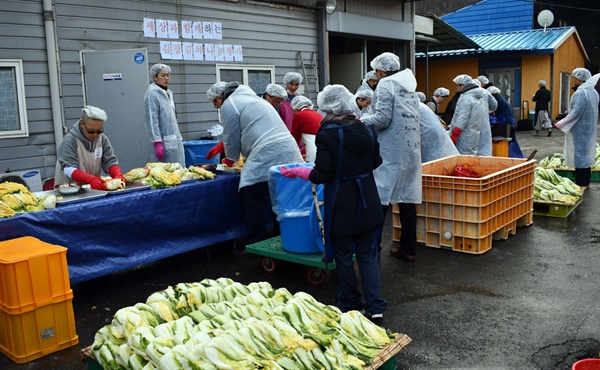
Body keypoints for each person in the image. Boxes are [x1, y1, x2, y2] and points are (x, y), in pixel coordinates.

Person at [280, 84, 387, 321]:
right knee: (368, 255)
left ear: (327, 106)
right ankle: (375, 305)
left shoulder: (328, 133)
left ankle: (350, 304)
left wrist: (298, 171)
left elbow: (323, 174)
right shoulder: (368, 129)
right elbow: (376, 161)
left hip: (343, 202)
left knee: (343, 255)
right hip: (369, 198)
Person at [205, 82, 304, 253]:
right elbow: (250, 127)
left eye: (215, 103)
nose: (217, 106)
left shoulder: (230, 104)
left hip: (268, 152)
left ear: (220, 96)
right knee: (280, 195)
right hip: (287, 150)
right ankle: (283, 235)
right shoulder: (253, 99)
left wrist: (229, 157)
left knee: (252, 191)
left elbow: (232, 135)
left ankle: (255, 242)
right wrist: (224, 146)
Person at [361, 52, 421, 262]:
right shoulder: (408, 85)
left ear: (380, 70)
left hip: (392, 149)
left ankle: (372, 250)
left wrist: (361, 120)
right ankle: (409, 249)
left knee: (381, 198)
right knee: (406, 199)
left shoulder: (386, 84)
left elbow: (383, 118)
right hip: (411, 148)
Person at [55, 106, 125, 190]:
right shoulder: (70, 141)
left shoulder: (102, 139)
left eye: (99, 131)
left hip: (90, 188)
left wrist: (117, 175)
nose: (95, 135)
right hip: (67, 190)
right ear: (82, 124)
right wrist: (90, 179)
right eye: (91, 131)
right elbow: (68, 169)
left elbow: (110, 162)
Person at [555, 69, 599, 188]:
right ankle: (586, 181)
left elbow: (576, 112)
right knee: (586, 155)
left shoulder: (581, 93)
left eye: (575, 78)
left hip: (580, 130)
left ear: (579, 79)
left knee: (579, 156)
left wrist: (561, 124)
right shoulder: (593, 92)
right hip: (589, 129)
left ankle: (581, 182)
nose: (573, 80)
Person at [144, 63, 185, 166]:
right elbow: (152, 120)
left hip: (174, 140)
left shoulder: (167, 93)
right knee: (166, 174)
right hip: (164, 143)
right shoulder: (152, 94)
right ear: (155, 77)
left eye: (168, 75)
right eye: (163, 75)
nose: (166, 78)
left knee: (178, 171)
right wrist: (157, 142)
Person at [448, 74, 487, 155]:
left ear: (463, 85)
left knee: (463, 158)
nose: (456, 88)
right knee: (470, 156)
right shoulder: (478, 98)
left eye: (457, 85)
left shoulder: (466, 98)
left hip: (463, 135)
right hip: (473, 134)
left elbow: (462, 118)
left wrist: (455, 134)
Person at [488, 86, 523, 158]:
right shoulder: (501, 99)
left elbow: (494, 112)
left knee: (508, 141)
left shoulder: (497, 101)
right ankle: (516, 156)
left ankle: (513, 157)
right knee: (511, 140)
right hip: (509, 122)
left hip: (505, 123)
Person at [290, 96, 322, 162]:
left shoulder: (299, 116)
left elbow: (295, 137)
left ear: (296, 108)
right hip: (323, 145)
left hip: (312, 146)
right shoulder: (317, 114)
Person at [473, 79, 498, 156]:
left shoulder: (466, 94)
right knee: (485, 144)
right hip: (484, 122)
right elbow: (494, 105)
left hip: (472, 125)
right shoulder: (486, 93)